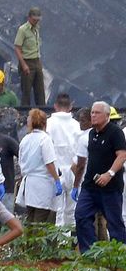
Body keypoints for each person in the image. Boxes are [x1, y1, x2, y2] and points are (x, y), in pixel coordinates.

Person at [74, 101, 126, 253]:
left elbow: (122, 155)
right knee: (81, 216)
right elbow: (83, 161)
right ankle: (90, 253)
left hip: (110, 188)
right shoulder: (91, 133)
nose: (93, 115)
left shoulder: (115, 132)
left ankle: (119, 257)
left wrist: (109, 174)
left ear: (107, 115)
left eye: (97, 113)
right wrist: (77, 185)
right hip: (90, 186)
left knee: (114, 223)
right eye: (92, 112)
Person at [16, 109, 62, 223]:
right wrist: (57, 180)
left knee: (30, 219)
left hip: (29, 185)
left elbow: (21, 162)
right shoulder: (45, 139)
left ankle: (28, 241)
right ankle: (35, 242)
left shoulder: (25, 139)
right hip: (43, 185)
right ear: (44, 123)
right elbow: (49, 162)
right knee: (40, 222)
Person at [72, 108, 108, 240]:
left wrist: (76, 185)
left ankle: (91, 251)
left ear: (90, 121)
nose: (80, 123)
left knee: (87, 217)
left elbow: (78, 165)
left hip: (88, 185)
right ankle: (105, 249)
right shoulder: (105, 134)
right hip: (103, 182)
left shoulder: (83, 138)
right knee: (102, 219)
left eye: (82, 120)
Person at [46, 93, 81, 226]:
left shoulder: (49, 124)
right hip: (74, 171)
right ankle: (72, 242)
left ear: (55, 106)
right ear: (70, 106)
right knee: (72, 211)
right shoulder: (77, 125)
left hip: (56, 172)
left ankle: (60, 243)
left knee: (58, 211)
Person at [14, 7, 45, 106]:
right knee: (26, 91)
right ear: (29, 18)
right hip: (27, 61)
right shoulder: (23, 30)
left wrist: (39, 61)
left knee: (40, 90)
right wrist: (23, 65)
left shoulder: (37, 29)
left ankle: (42, 111)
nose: (36, 21)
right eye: (34, 19)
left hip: (36, 61)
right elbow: (17, 48)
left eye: (37, 19)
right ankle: (25, 113)